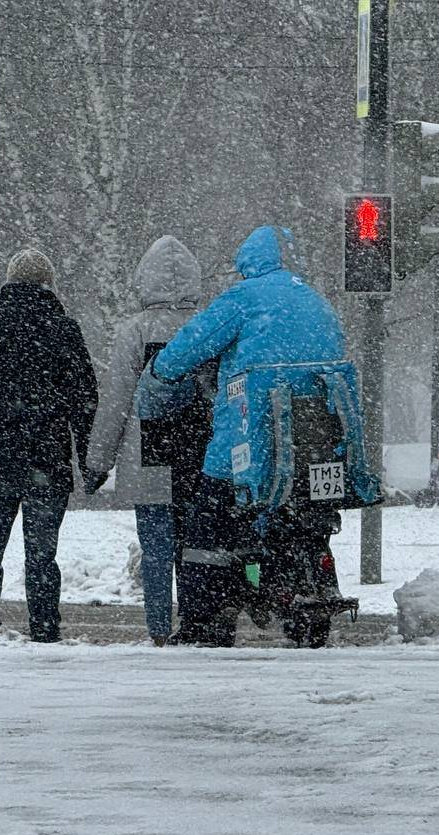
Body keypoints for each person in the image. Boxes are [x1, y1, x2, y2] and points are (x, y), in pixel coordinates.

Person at [139, 225, 372, 647]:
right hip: (321, 446)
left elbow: (188, 347)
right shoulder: (314, 299)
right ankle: (313, 583)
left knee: (206, 525)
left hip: (253, 440)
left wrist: (159, 371)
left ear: (246, 265)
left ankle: (203, 621)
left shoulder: (243, 299)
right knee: (310, 521)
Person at [0, 247, 98, 644]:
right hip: (46, 458)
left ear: (9, 281)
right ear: (49, 283)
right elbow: (84, 400)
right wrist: (89, 459)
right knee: (42, 553)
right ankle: (44, 625)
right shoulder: (63, 329)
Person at [84, 235, 212, 646]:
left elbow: (117, 401)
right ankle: (195, 622)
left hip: (149, 454)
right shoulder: (208, 324)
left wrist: (97, 461)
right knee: (196, 548)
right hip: (201, 453)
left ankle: (158, 628)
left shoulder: (135, 331)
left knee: (155, 550)